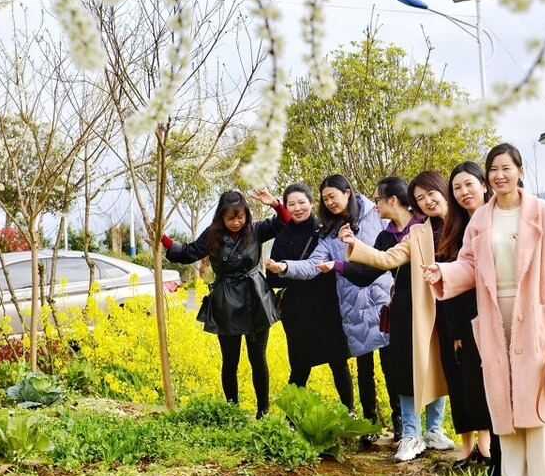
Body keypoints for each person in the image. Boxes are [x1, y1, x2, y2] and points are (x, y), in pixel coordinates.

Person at [422, 144, 545, 476]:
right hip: (494, 312)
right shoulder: (481, 219)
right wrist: (441, 272)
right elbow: (468, 265)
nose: (499, 175)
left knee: (534, 396)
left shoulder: (541, 212)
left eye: (506, 168)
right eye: (493, 169)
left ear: (519, 170)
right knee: (503, 395)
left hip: (533, 312)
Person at [341, 175, 455, 462]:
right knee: (405, 367)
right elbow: (384, 260)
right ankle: (410, 433)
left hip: (440, 302)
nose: (426, 202)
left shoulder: (454, 227)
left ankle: (434, 429)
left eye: (431, 195)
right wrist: (347, 254)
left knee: (437, 364)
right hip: (406, 304)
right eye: (420, 199)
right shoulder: (412, 234)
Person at [264, 175, 391, 432]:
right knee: (310, 365)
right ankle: (364, 424)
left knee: (376, 366)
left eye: (332, 196)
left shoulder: (363, 217)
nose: (330, 202)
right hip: (322, 309)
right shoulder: (321, 232)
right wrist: (284, 267)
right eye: (326, 199)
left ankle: (386, 423)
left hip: (360, 303)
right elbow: (309, 265)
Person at [163, 189, 289, 418]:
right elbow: (188, 252)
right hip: (226, 302)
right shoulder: (212, 235)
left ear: (246, 215)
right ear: (221, 216)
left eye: (240, 217)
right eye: (230, 218)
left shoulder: (255, 229)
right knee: (230, 361)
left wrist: (275, 204)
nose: (236, 222)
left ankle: (264, 411)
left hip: (255, 299)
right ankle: (232, 410)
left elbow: (284, 222)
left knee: (257, 358)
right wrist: (163, 239)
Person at [266, 183, 353, 407]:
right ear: (286, 207)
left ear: (312, 203)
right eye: (291, 204)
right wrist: (280, 270)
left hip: (328, 306)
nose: (297, 208)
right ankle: (292, 417)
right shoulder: (282, 238)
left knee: (338, 361)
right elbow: (273, 280)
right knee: (300, 365)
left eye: (302, 202)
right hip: (297, 311)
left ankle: (349, 410)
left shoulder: (326, 231)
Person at [436, 161, 499, 475]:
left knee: (486, 384)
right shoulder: (453, 228)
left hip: (494, 317)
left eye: (469, 185)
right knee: (462, 382)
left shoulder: (498, 222)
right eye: (457, 188)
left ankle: (487, 443)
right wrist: (457, 329)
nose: (463, 192)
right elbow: (450, 281)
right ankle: (466, 444)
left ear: (484, 185)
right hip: (459, 319)